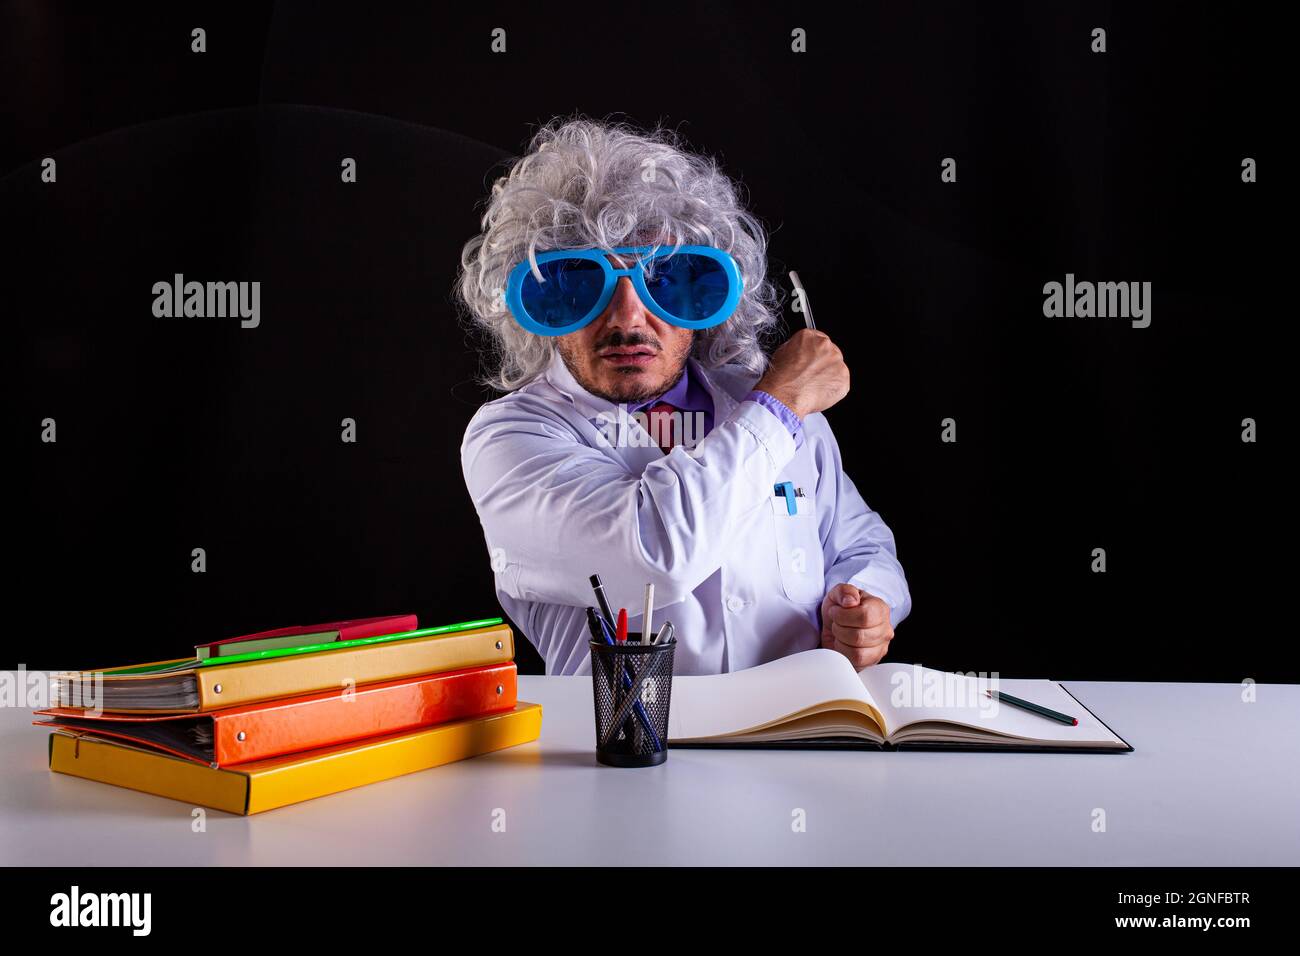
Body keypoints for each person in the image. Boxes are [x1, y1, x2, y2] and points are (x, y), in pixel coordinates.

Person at [456, 117, 910, 675]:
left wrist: (866, 601)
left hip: (804, 737)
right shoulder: (510, 438)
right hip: (622, 756)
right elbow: (655, 558)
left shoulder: (770, 405)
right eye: (581, 283)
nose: (627, 319)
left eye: (665, 280)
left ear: (706, 296)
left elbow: (858, 540)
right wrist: (779, 405)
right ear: (542, 309)